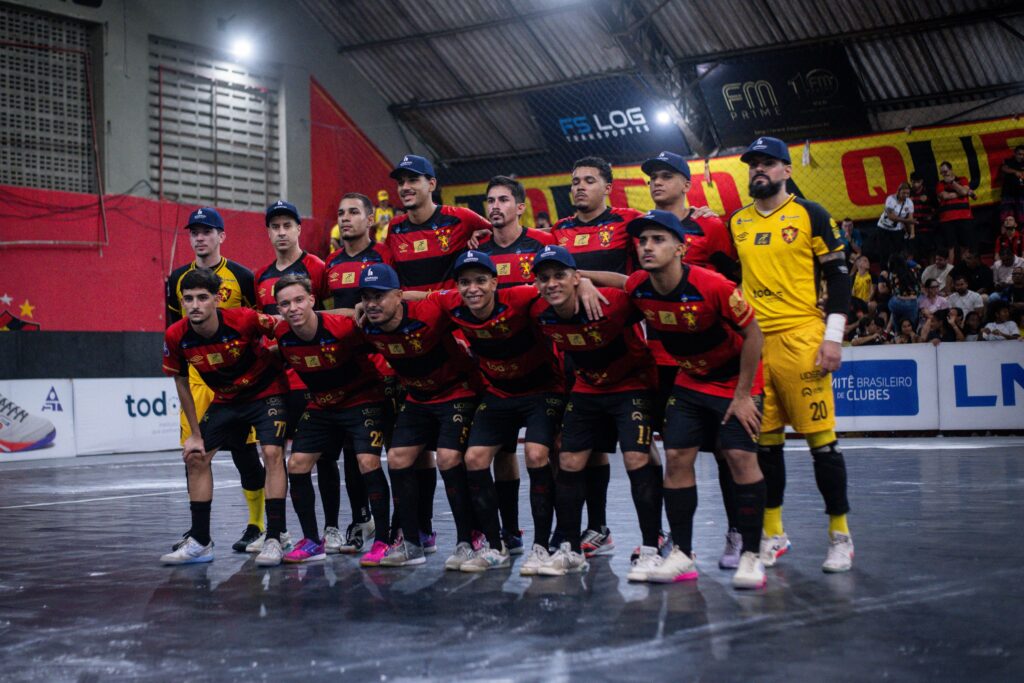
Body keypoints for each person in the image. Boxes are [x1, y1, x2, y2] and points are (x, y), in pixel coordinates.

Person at [595, 210, 769, 589]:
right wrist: (581, 277)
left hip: (734, 382)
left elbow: (754, 335)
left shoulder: (715, 286)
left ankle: (753, 554)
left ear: (681, 248)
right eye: (642, 241)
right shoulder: (641, 285)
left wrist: (743, 396)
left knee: (740, 458)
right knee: (676, 458)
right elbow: (622, 282)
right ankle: (683, 555)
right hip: (691, 380)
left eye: (658, 240)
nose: (647, 246)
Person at [727, 136, 854, 573]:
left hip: (802, 339)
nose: (758, 170)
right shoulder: (737, 222)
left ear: (786, 170)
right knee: (765, 447)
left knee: (822, 444)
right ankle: (774, 534)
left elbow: (839, 278)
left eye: (767, 164)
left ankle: (841, 536)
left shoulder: (811, 214)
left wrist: (832, 336)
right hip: (756, 346)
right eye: (752, 165)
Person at [428, 251, 566, 573]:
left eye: (479, 281)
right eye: (464, 282)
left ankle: (542, 547)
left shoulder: (520, 297)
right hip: (500, 393)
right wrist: (373, 302)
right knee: (474, 458)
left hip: (542, 391)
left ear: (495, 282)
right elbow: (422, 297)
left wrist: (585, 284)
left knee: (535, 454)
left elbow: (557, 287)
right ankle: (495, 545)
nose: (472, 289)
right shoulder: (453, 304)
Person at [529, 245, 662, 577]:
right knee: (569, 460)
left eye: (561, 276)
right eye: (544, 278)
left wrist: (587, 278)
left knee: (636, 458)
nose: (552, 284)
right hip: (588, 387)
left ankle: (651, 547)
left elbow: (636, 283)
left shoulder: (609, 303)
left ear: (576, 278)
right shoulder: (537, 310)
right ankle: (571, 550)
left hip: (632, 385)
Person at [641, 150, 746, 569]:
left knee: (726, 451)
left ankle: (739, 532)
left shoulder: (711, 225)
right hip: (663, 361)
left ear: (687, 183)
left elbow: (735, 283)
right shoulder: (644, 229)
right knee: (674, 454)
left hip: (716, 361)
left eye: (666, 176)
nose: (657, 182)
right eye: (653, 177)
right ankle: (675, 542)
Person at [383, 154, 492, 550]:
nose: (406, 187)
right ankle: (416, 534)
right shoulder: (393, 228)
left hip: (454, 336)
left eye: (414, 180)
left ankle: (481, 533)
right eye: (401, 182)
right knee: (414, 453)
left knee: (458, 454)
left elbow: (499, 234)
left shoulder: (461, 218)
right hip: (412, 340)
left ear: (432, 184)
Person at [550, 156, 646, 557]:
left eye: (589, 180)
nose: (580, 187)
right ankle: (592, 528)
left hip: (621, 347)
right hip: (573, 351)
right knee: (579, 446)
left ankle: (647, 535)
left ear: (608, 186)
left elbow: (639, 278)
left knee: (635, 450)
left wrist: (586, 279)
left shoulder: (629, 222)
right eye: (575, 181)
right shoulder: (558, 231)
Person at [159, 268, 289, 565]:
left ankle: (275, 537)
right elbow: (180, 382)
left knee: (271, 452)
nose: (194, 305)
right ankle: (201, 542)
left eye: (202, 298)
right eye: (188, 298)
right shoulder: (176, 335)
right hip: (227, 400)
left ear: (217, 299)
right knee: (196, 456)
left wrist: (280, 353)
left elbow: (284, 326)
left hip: (266, 392)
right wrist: (194, 433)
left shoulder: (244, 318)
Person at [358, 264, 479, 567]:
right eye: (367, 297)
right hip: (417, 397)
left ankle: (469, 541)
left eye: (380, 296)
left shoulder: (429, 311)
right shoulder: (368, 327)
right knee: (398, 458)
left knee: (449, 458)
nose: (372, 303)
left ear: (399, 295)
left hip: (457, 391)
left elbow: (469, 296)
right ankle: (411, 543)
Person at [270, 275, 393, 566]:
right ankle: (313, 541)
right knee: (296, 464)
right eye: (285, 304)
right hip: (322, 404)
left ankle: (384, 541)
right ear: (279, 309)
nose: (293, 308)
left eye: (299, 300)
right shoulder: (283, 336)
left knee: (367, 463)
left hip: (363, 400)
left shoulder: (345, 328)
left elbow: (383, 343)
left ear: (312, 300)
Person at [165, 207, 266, 554]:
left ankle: (257, 524)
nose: (199, 238)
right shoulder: (178, 278)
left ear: (221, 236)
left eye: (207, 231)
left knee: (245, 451)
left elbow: (258, 323)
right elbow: (173, 331)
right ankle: (199, 534)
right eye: (194, 232)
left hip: (239, 381)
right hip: (196, 380)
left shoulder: (242, 276)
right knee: (194, 453)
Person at [474, 176, 558, 554]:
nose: (495, 206)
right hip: (496, 375)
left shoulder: (544, 245)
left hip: (544, 372)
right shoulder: (477, 253)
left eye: (503, 200)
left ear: (520, 207)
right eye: (490, 200)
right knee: (503, 455)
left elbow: (567, 283)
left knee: (545, 454)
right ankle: (510, 532)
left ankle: (559, 533)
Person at [252, 200, 340, 554]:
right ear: (269, 232)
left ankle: (332, 527)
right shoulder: (260, 277)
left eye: (288, 225)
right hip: (280, 381)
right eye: (275, 226)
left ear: (299, 229)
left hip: (316, 379)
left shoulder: (318, 267)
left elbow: (333, 320)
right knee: (276, 455)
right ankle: (280, 531)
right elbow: (264, 329)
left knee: (326, 457)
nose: (282, 232)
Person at [325, 193, 396, 552]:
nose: (346, 218)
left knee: (400, 452)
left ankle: (409, 526)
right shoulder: (331, 264)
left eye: (354, 212)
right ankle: (361, 519)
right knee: (354, 452)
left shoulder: (386, 254)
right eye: (341, 213)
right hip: (347, 369)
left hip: (389, 364)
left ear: (371, 218)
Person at [936, 161, 977, 259]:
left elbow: (963, 191)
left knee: (965, 245)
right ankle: (950, 271)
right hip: (947, 219)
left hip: (964, 217)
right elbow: (945, 196)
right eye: (942, 172)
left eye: (945, 171)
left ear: (951, 170)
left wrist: (952, 183)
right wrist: (965, 193)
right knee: (950, 247)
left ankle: (964, 267)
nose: (944, 174)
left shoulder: (962, 179)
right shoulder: (940, 184)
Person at [876, 183, 915, 262]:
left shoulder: (909, 202)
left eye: (908, 193)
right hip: (883, 227)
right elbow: (891, 217)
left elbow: (911, 218)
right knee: (883, 250)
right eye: (903, 193)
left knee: (897, 250)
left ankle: (897, 268)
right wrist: (906, 221)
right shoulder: (890, 199)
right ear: (898, 192)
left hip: (897, 229)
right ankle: (884, 270)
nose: (906, 195)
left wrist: (912, 233)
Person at [908, 172, 937, 260]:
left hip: (927, 228)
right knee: (912, 253)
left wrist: (931, 216)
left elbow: (937, 208)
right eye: (912, 182)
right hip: (913, 229)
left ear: (921, 181)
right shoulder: (909, 194)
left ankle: (931, 271)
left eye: (916, 182)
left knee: (930, 252)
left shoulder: (929, 192)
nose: (914, 184)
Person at [999, 145, 1024, 224]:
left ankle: (1021, 234)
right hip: (1008, 193)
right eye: (1019, 154)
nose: (1021, 156)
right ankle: (1007, 235)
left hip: (1021, 194)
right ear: (1015, 153)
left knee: (1022, 217)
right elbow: (1004, 168)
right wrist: (1015, 172)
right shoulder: (1009, 161)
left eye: (1023, 154)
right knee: (1007, 218)